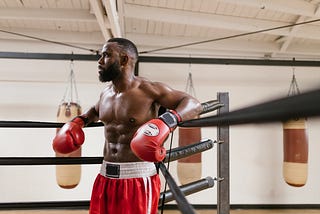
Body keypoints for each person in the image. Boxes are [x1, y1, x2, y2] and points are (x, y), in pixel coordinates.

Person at [52, 38, 202, 214]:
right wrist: (79, 121)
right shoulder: (106, 94)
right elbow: (94, 110)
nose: (100, 61)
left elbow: (193, 103)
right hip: (106, 176)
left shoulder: (148, 90)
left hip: (137, 178)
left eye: (106, 55)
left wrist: (166, 121)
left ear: (124, 60)